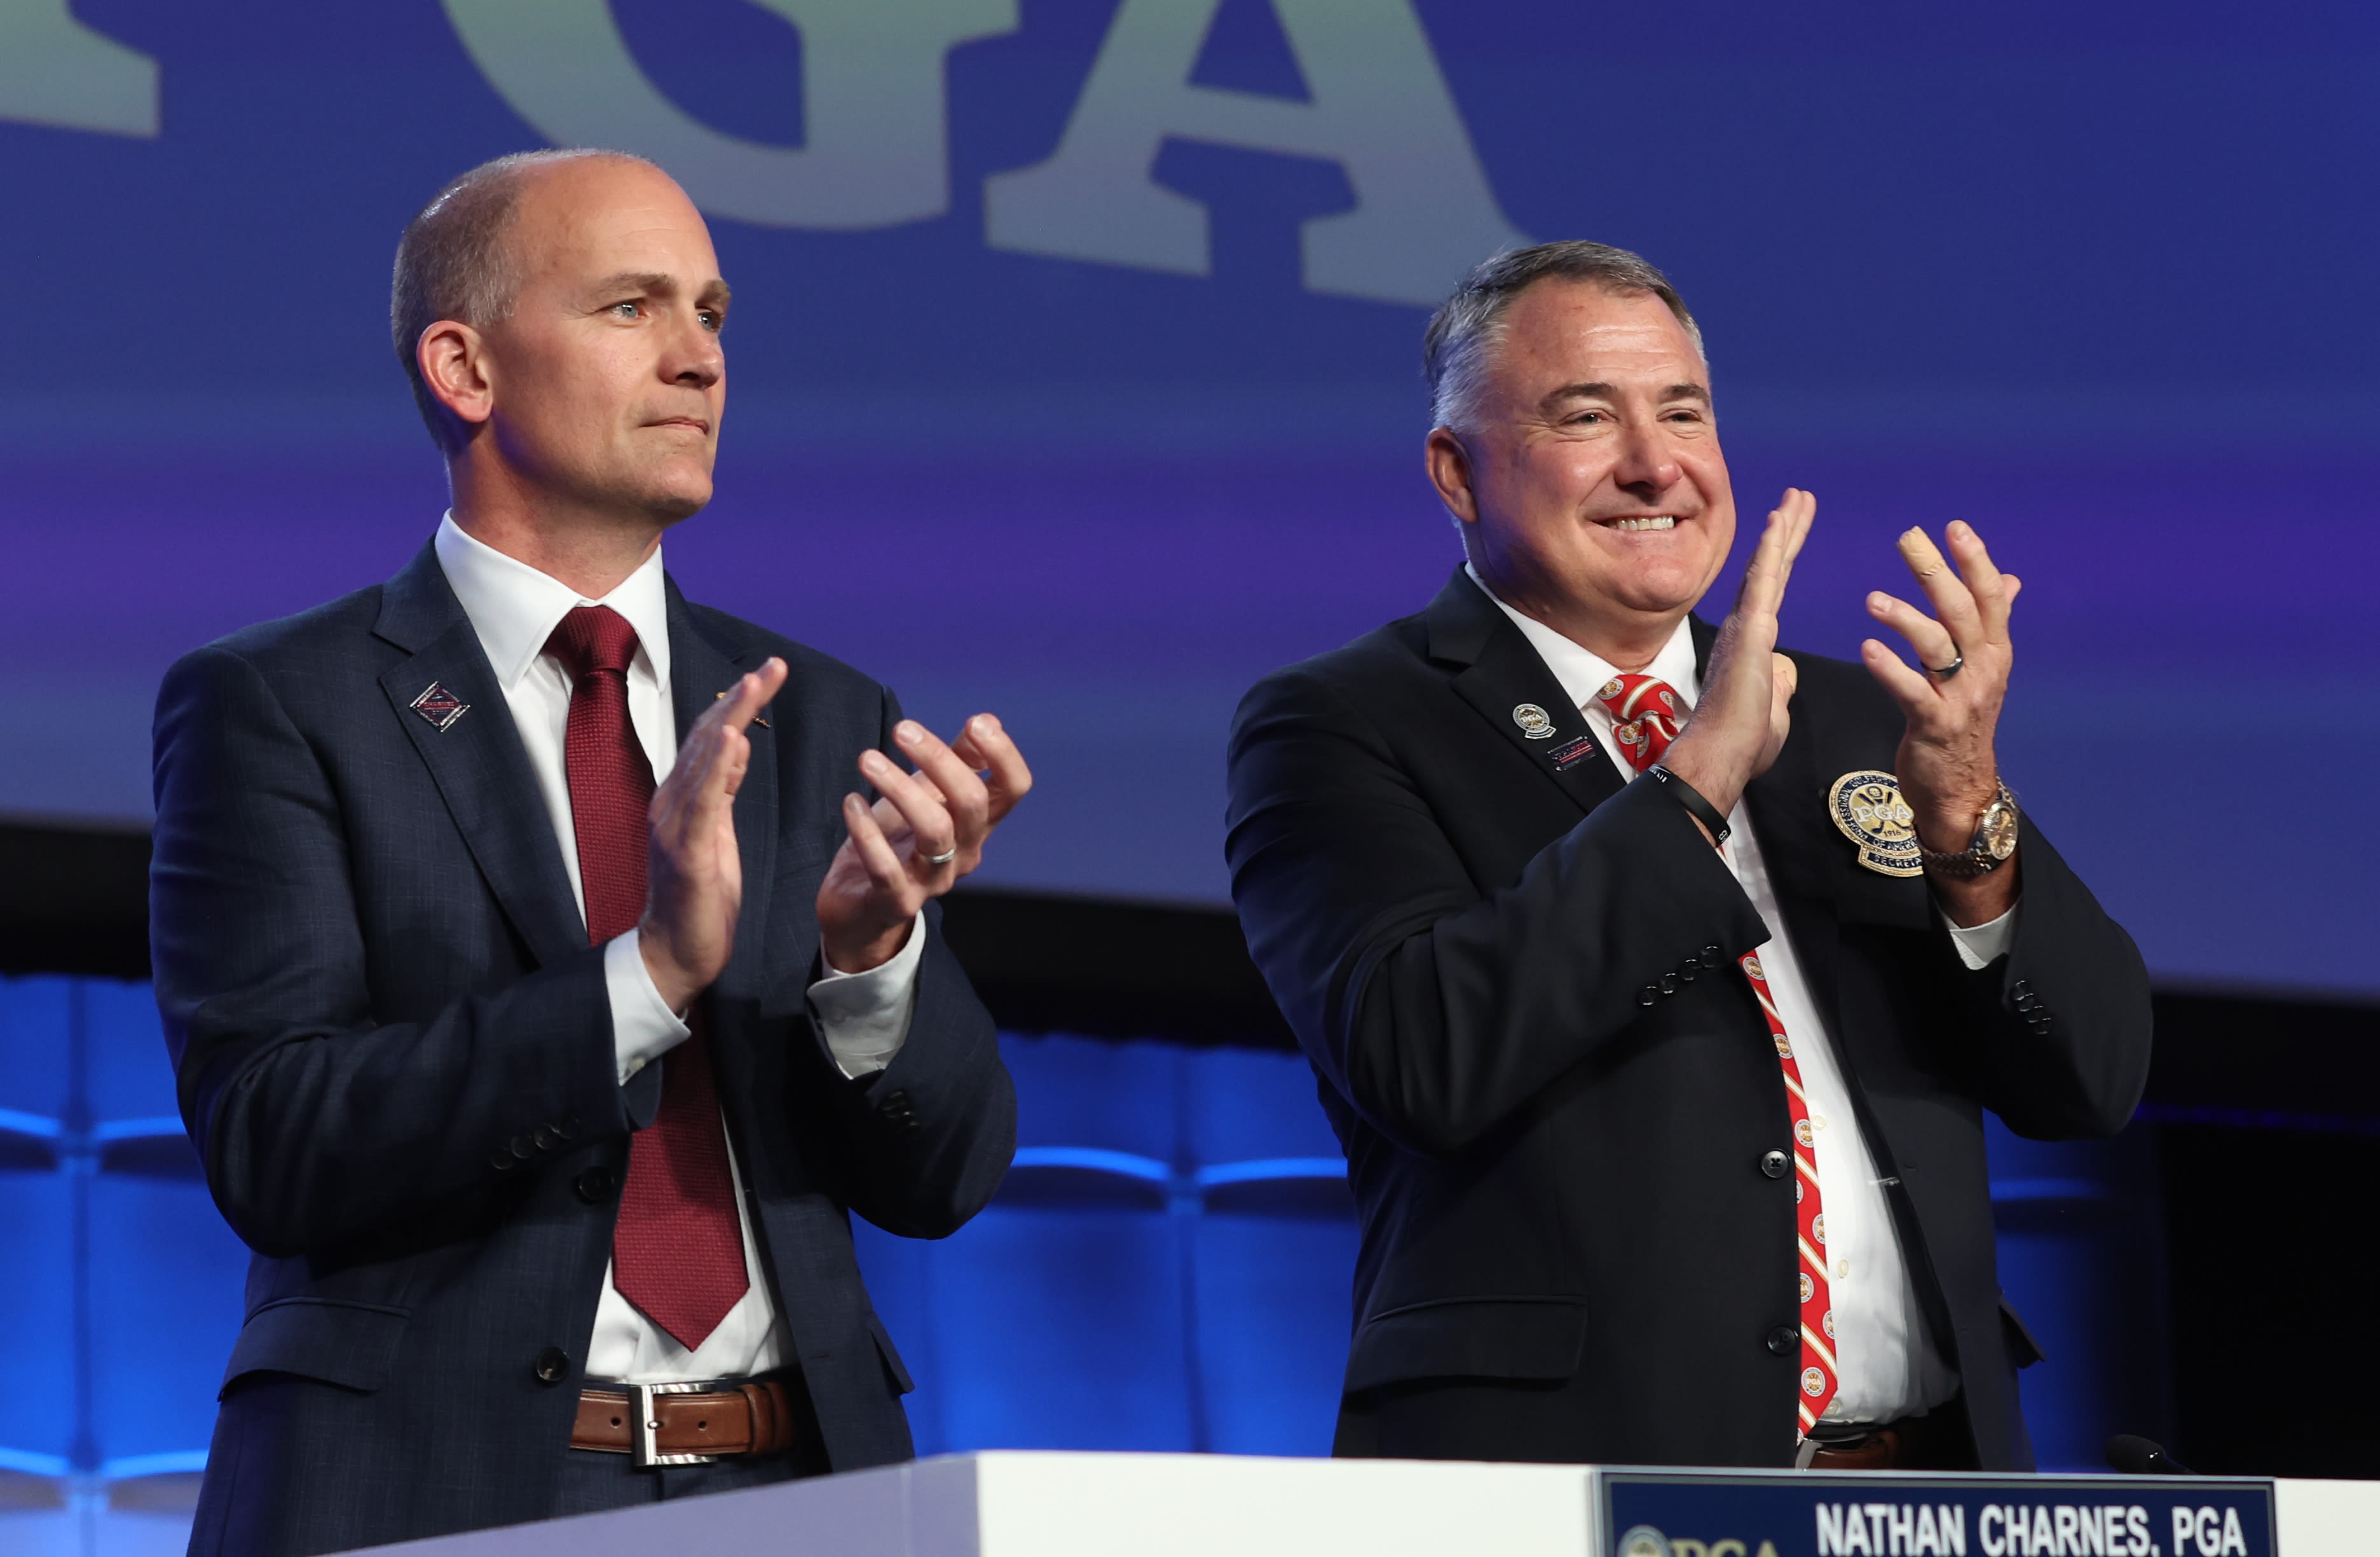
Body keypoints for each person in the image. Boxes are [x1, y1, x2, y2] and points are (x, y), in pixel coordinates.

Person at [151, 149, 1029, 1556]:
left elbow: (945, 1181)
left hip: (796, 1488)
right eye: (633, 309)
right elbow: (278, 1141)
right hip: (434, 1490)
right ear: (467, 367)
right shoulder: (281, 703)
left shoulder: (820, 712)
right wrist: (651, 977)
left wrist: (872, 965)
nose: (699, 361)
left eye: (715, 314)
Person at [1224, 242, 2151, 1472]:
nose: (1655, 464)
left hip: (1924, 1482)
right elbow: (1422, 1055)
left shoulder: (1856, 717)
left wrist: (1973, 826)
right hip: (1581, 1482)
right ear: (1458, 472)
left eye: (1683, 412)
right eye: (1586, 417)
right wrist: (1695, 782)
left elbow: (2091, 1081)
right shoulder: (1343, 722)